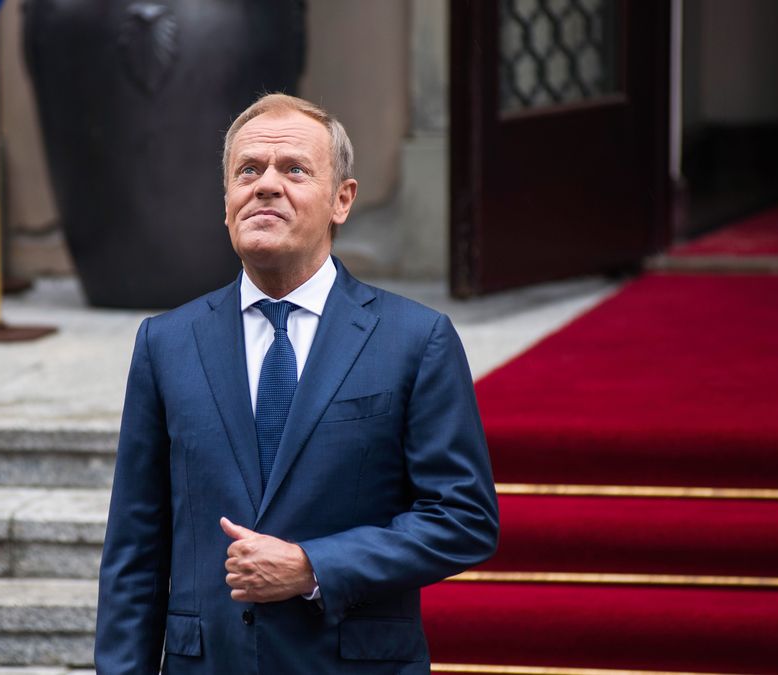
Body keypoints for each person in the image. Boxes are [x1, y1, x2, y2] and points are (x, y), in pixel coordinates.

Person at [95, 93, 498, 674]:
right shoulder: (167, 342)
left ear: (342, 200)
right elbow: (135, 547)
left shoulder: (415, 339)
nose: (265, 185)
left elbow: (463, 518)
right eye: (248, 171)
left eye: (294, 170)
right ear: (227, 203)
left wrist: (314, 565)